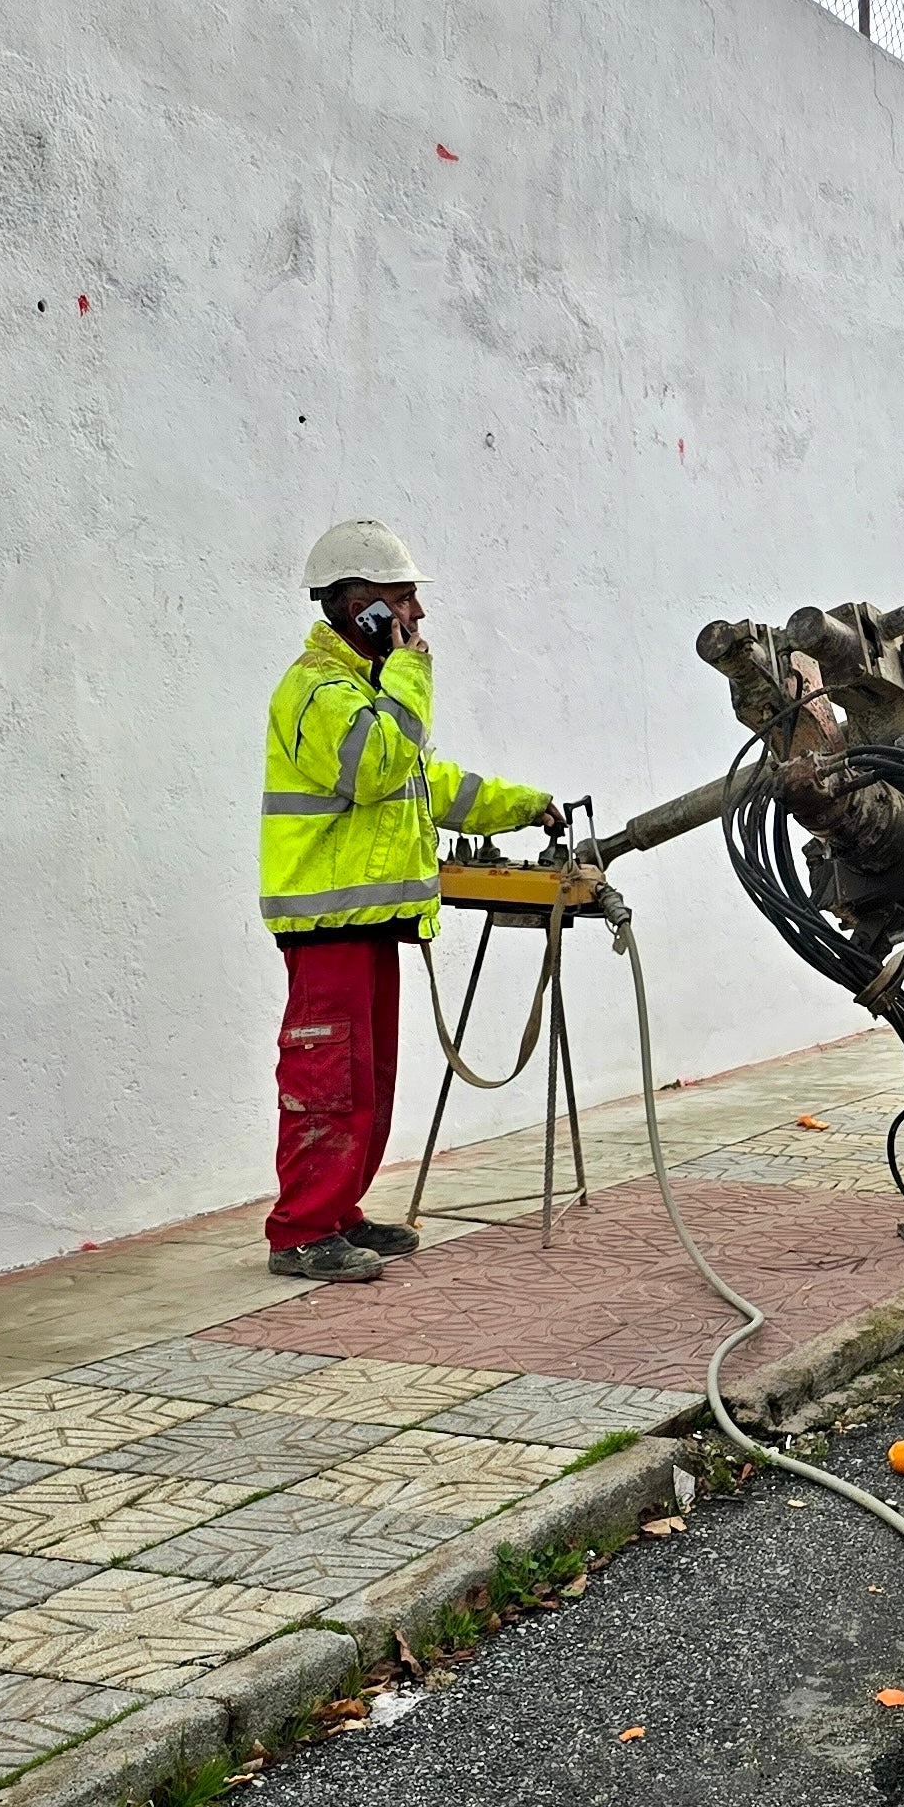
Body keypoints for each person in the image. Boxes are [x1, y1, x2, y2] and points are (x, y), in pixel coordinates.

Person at [258, 518, 558, 1281]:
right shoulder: (319, 691)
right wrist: (411, 669)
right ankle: (302, 1232)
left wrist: (527, 806)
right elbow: (376, 771)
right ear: (355, 606)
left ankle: (339, 1212)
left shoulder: (369, 693)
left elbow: (429, 784)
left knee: (366, 1084)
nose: (416, 615)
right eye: (400, 600)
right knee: (328, 1083)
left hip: (368, 925)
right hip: (328, 927)